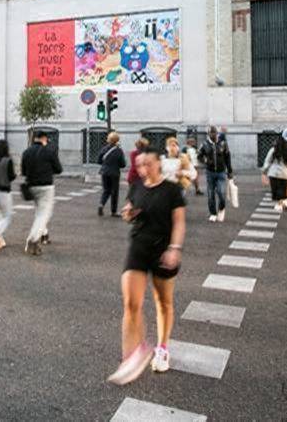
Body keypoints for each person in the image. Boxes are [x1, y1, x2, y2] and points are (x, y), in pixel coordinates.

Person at [108, 150, 186, 385]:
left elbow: (179, 222)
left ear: (158, 163)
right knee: (131, 304)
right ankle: (132, 355)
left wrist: (174, 248)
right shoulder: (136, 186)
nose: (143, 169)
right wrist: (128, 213)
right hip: (139, 247)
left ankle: (162, 347)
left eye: (148, 164)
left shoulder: (172, 190)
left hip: (163, 250)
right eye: (140, 165)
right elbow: (128, 211)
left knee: (163, 301)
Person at [21, 130, 63, 255]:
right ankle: (32, 239)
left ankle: (38, 238)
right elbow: (58, 169)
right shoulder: (49, 151)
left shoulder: (26, 152)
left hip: (32, 186)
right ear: (43, 138)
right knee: (44, 215)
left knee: (39, 213)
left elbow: (23, 171)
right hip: (46, 187)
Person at [197, 126, 234, 222]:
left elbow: (227, 157)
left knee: (221, 193)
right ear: (208, 134)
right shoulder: (204, 144)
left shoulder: (223, 144)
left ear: (217, 133)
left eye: (214, 133)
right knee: (210, 194)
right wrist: (206, 160)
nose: (213, 134)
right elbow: (199, 156)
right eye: (211, 133)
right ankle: (213, 213)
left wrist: (230, 171)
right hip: (210, 173)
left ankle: (221, 209)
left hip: (221, 172)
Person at [261, 128, 287, 212]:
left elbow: (267, 161)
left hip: (275, 173)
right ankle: (285, 201)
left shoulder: (274, 149)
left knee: (278, 190)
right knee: (286, 188)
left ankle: (280, 204)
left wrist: (264, 172)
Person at [97, 132, 127, 217]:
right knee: (114, 192)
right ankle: (113, 211)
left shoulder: (104, 149)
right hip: (114, 173)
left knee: (106, 190)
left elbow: (99, 161)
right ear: (117, 140)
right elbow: (123, 164)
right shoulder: (119, 150)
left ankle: (101, 205)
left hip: (104, 172)